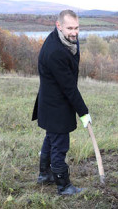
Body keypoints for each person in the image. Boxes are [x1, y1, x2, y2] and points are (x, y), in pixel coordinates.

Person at [32, 10, 91, 195]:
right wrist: (83, 112)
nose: (74, 32)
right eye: (70, 28)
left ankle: (44, 175)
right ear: (59, 26)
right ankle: (63, 185)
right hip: (55, 105)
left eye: (77, 27)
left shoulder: (66, 40)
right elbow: (69, 88)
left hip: (53, 101)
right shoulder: (55, 52)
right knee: (60, 145)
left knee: (51, 138)